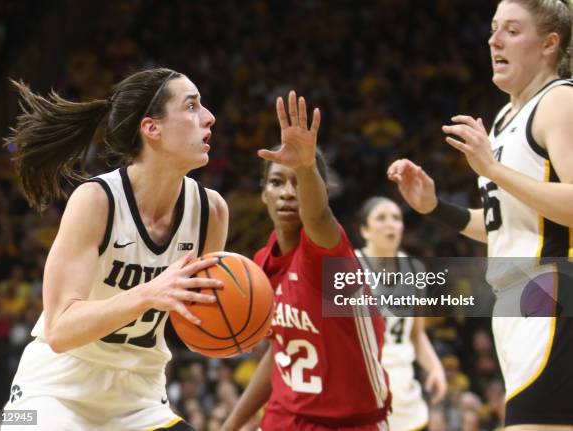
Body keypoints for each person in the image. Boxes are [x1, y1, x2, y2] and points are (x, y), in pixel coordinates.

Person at [2, 68, 229, 430]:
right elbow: (60, 330)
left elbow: (200, 324)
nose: (208, 117)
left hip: (139, 401)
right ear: (151, 128)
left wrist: (241, 320)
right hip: (59, 394)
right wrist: (149, 293)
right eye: (191, 106)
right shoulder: (96, 201)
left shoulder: (211, 212)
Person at [387, 0, 573, 428]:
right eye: (493, 29)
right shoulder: (506, 117)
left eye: (511, 30)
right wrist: (436, 208)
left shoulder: (559, 102)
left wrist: (492, 169)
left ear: (549, 44)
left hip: (552, 291)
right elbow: (508, 226)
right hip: (515, 300)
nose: (494, 40)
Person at [222, 92, 390, 430]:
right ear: (263, 192)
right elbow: (279, 351)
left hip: (351, 423)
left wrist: (306, 165)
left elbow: (318, 215)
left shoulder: (326, 253)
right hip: (284, 419)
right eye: (277, 182)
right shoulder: (262, 262)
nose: (287, 192)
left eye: (298, 183)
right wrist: (230, 426)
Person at [354, 197, 447, 431]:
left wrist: (435, 367)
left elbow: (415, 335)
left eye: (396, 218)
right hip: (361, 392)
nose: (391, 224)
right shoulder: (349, 267)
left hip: (405, 396)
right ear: (365, 230)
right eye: (381, 218)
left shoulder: (414, 270)